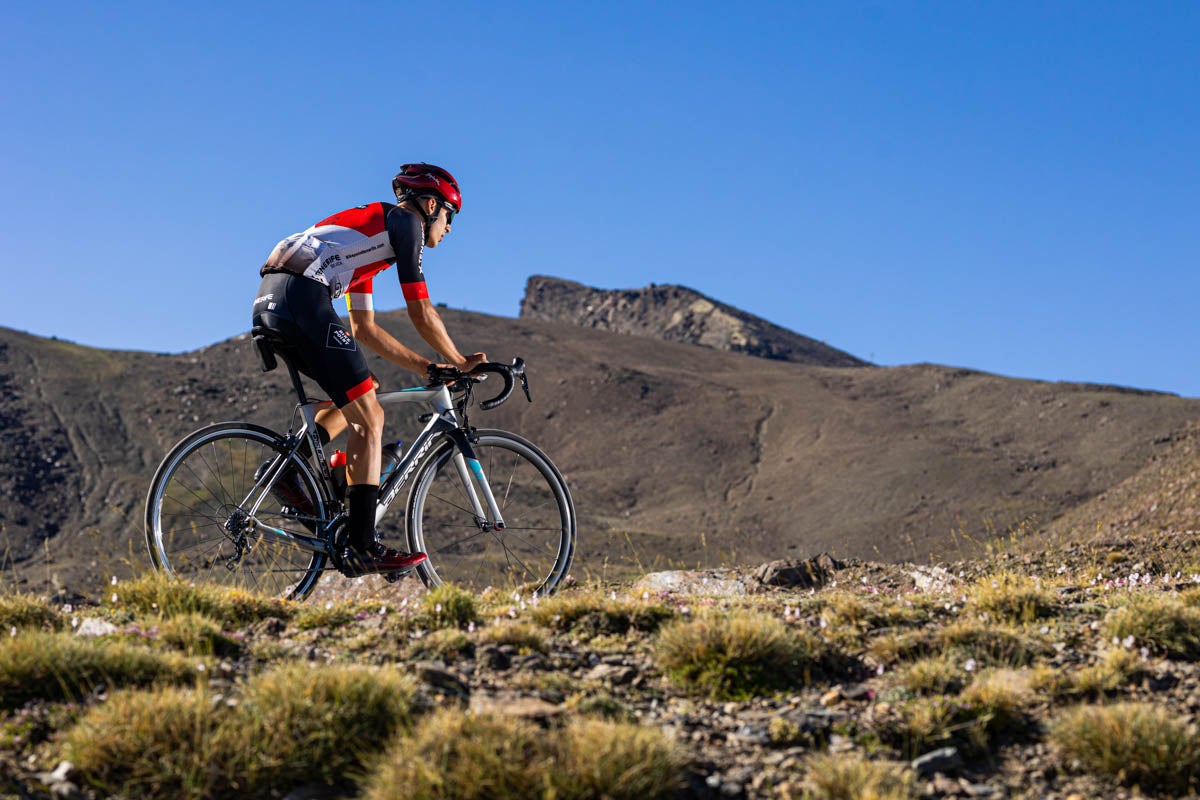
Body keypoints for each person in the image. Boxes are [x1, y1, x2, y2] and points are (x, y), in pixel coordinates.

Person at [251, 163, 486, 574]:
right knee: (370, 418)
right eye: (450, 217)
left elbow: (365, 329)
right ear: (432, 205)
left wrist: (427, 366)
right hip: (302, 296)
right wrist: (460, 361)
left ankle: (288, 470)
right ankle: (362, 546)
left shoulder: (368, 242)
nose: (448, 229)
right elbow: (421, 310)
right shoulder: (406, 224)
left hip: (275, 297)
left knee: (366, 389)